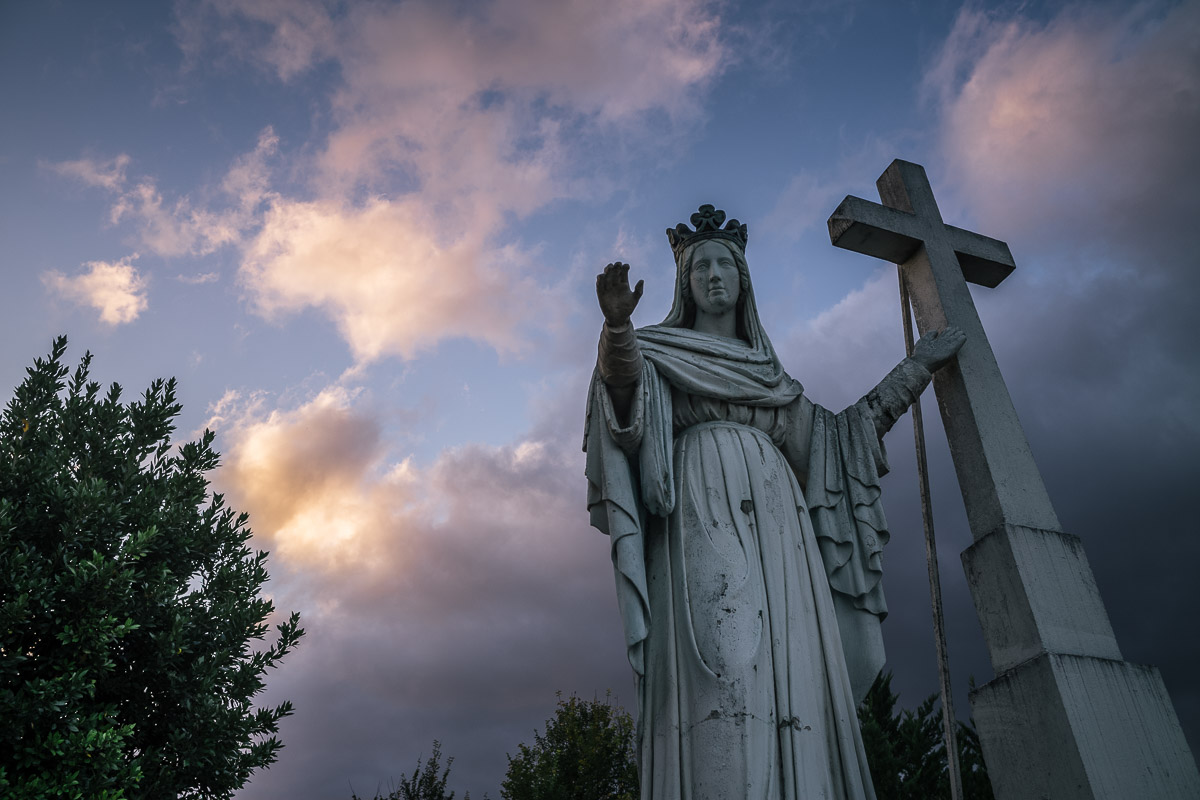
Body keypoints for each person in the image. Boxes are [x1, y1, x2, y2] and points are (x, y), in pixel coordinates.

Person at [584, 205, 964, 799]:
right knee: (724, 664)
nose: (713, 276)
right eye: (700, 267)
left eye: (724, 265)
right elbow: (625, 392)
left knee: (793, 677)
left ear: (743, 281)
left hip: (780, 525)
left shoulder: (771, 378)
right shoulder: (657, 349)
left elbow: (842, 438)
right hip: (701, 509)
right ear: (684, 283)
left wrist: (915, 369)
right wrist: (616, 331)